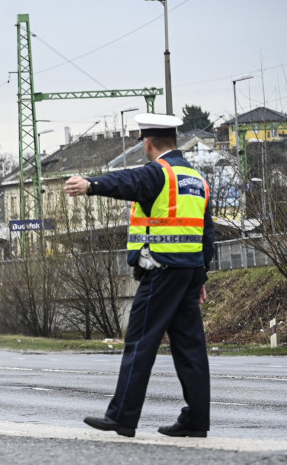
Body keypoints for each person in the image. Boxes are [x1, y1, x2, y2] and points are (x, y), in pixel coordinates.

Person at [65, 112, 214, 438]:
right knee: (190, 348)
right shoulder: (196, 179)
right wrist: (201, 276)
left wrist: (91, 185)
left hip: (161, 271)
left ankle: (122, 416)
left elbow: (128, 181)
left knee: (140, 342)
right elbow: (207, 233)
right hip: (188, 273)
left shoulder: (159, 173)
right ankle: (196, 420)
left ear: (148, 143)